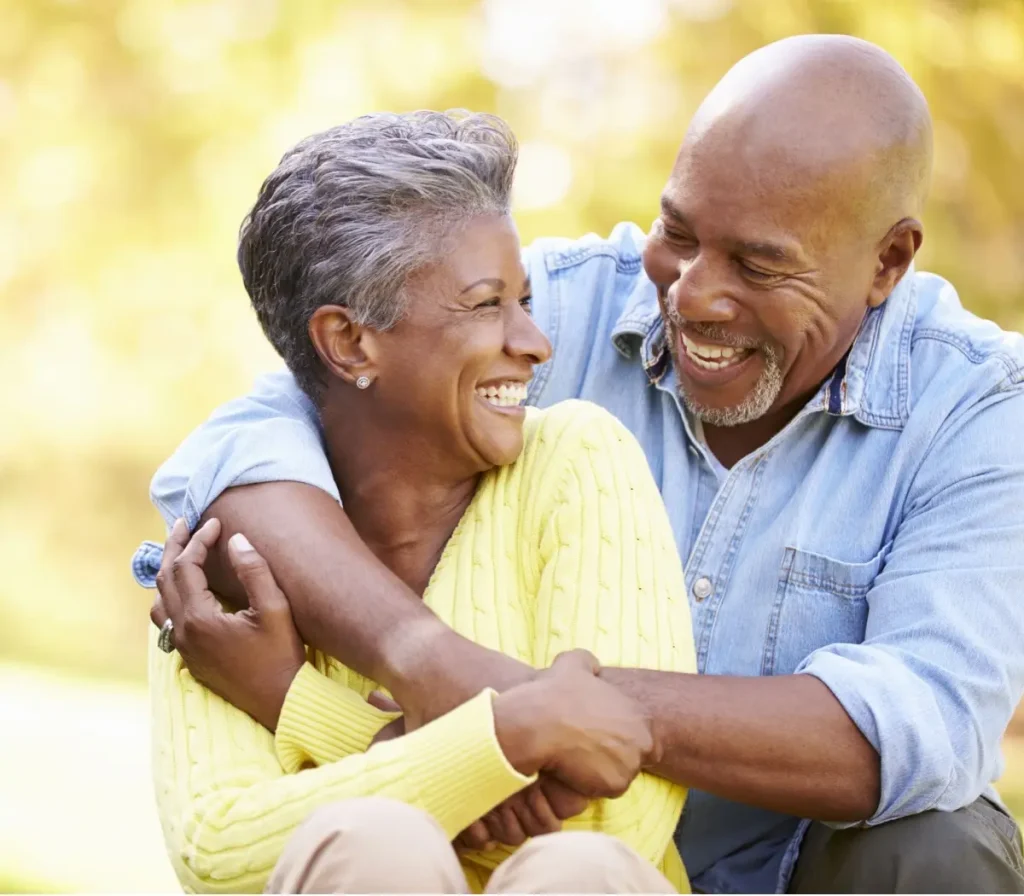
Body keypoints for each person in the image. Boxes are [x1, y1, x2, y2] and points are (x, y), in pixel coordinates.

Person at [137, 34, 1024, 893]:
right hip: (522, 861)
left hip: (783, 869)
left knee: (942, 847)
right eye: (679, 232)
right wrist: (430, 663)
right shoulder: (554, 303)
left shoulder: (979, 407)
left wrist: (528, 714)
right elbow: (247, 449)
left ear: (887, 263)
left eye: (759, 266)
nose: (694, 296)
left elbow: (916, 723)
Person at [135, 110, 697, 893]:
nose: (535, 343)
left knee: (577, 869)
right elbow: (221, 850)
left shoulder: (578, 459)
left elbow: (616, 819)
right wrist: (511, 738)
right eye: (487, 304)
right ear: (350, 343)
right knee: (370, 845)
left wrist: (297, 704)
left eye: (525, 301)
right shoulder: (226, 558)